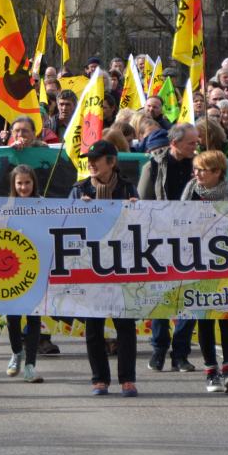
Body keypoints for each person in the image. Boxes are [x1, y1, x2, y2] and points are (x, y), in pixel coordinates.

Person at [72, 141, 140, 395]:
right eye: (88, 159)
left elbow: (143, 224)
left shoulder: (127, 187)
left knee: (125, 325)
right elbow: (64, 223)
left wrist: (136, 209)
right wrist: (79, 211)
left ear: (111, 162)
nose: (90, 163)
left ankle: (127, 379)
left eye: (96, 159)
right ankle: (99, 379)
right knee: (94, 326)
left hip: (122, 264)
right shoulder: (78, 190)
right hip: (90, 264)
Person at [137, 122, 198, 372]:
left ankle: (181, 352)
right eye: (191, 143)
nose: (196, 146)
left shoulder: (199, 166)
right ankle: (159, 349)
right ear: (174, 143)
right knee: (160, 295)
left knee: (191, 296)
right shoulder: (153, 167)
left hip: (194, 240)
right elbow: (142, 204)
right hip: (160, 240)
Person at [182, 150, 228, 394]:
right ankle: (211, 371)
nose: (196, 174)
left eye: (202, 170)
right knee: (204, 318)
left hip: (226, 263)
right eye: (195, 169)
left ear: (217, 172)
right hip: (197, 263)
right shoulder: (190, 193)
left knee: (227, 317)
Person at [5, 165, 45, 383]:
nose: (23, 187)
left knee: (34, 317)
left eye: (27, 182)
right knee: (12, 317)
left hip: (36, 269)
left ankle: (30, 365)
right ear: (13, 184)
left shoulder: (43, 204)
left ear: (34, 183)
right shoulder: (6, 207)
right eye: (19, 183)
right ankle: (16, 353)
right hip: (12, 271)